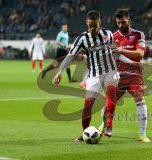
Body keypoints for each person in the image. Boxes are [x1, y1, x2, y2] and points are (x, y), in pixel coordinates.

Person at [53, 10, 119, 142]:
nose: (93, 28)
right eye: (90, 26)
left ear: (99, 22)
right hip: (94, 74)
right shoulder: (82, 39)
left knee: (111, 92)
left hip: (111, 71)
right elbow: (70, 56)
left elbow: (113, 51)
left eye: (95, 25)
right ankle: (85, 133)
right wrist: (59, 71)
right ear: (87, 23)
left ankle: (109, 126)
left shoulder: (108, 34)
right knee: (88, 104)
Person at [101, 9, 151, 142]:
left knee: (139, 99)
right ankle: (103, 127)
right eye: (118, 23)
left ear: (128, 20)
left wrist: (121, 50)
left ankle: (142, 134)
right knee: (108, 103)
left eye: (123, 22)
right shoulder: (112, 36)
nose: (120, 25)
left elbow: (140, 54)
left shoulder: (138, 35)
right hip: (118, 75)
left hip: (134, 74)